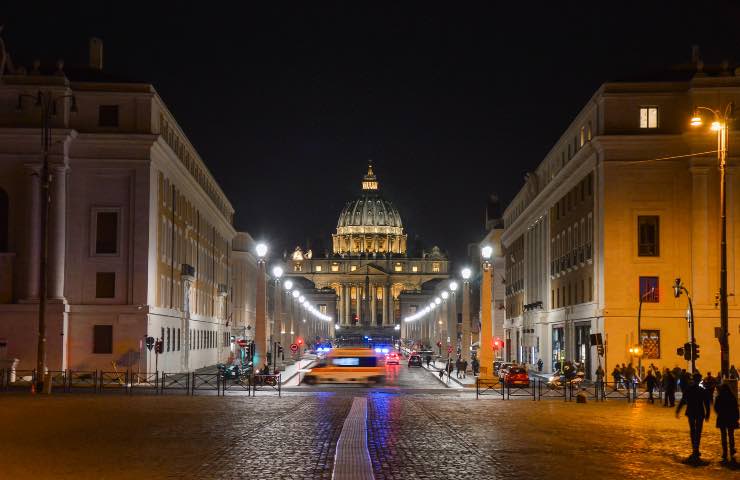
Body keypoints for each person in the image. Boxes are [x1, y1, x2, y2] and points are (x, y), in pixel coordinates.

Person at [676, 373, 711, 463]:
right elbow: (706, 403)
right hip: (699, 412)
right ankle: (696, 449)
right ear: (699, 380)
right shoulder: (702, 391)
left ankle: (694, 449)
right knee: (698, 431)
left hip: (691, 412)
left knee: (693, 431)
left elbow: (683, 401)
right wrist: (707, 414)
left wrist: (678, 410)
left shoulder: (689, 389)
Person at [714, 382, 739, 464]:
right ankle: (732, 451)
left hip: (722, 418)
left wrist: (720, 413)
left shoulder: (719, 397)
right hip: (731, 418)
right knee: (731, 435)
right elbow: (736, 409)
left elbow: (716, 408)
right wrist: (736, 418)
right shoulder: (732, 397)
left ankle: (724, 452)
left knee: (723, 435)